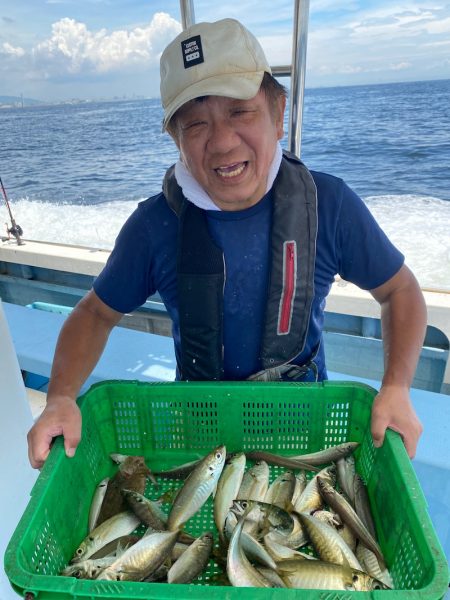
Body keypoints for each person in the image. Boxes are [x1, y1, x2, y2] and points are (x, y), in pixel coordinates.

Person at [27, 18, 426, 469]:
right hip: (199, 438)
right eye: (195, 124)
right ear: (175, 138)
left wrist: (396, 387)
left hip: (306, 433)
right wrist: (60, 396)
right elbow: (95, 313)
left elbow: (400, 291)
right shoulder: (154, 226)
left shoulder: (329, 205)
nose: (220, 141)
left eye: (240, 111)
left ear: (278, 113)